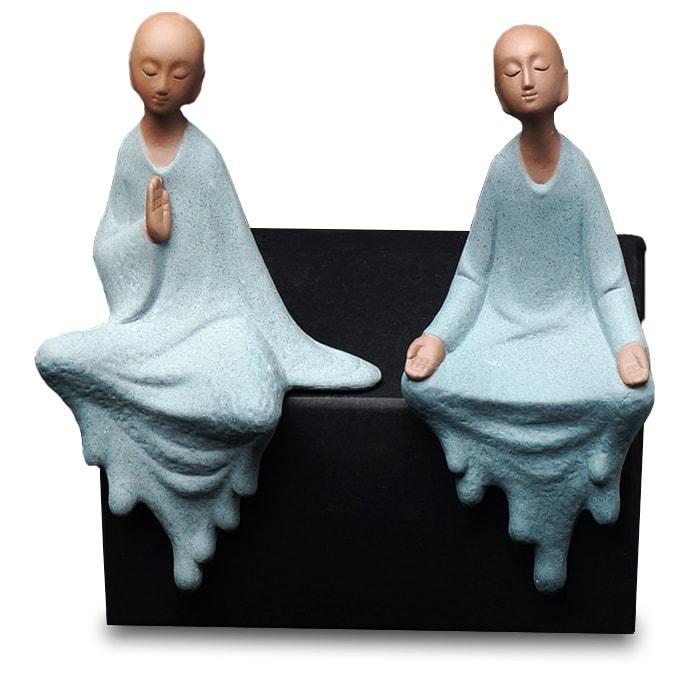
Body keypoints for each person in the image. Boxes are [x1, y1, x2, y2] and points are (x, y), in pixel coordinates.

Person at [35, 13, 380, 590]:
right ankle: (147, 467)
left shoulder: (203, 159)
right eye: (150, 69)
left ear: (198, 81)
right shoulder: (129, 154)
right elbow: (105, 249)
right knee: (55, 356)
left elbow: (239, 266)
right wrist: (145, 235)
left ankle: (196, 496)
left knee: (251, 409)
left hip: (216, 324)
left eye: (178, 72)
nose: (162, 84)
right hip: (151, 331)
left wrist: (270, 344)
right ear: (130, 71)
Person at [401, 25, 654, 593]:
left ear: (564, 83)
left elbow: (608, 277)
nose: (527, 79)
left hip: (573, 326)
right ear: (498, 92)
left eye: (540, 66)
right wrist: (439, 337)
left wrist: (627, 342)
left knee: (634, 395)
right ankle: (503, 476)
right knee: (420, 387)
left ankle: (595, 469)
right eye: (511, 71)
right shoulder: (501, 171)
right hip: (504, 329)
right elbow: (474, 273)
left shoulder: (578, 172)